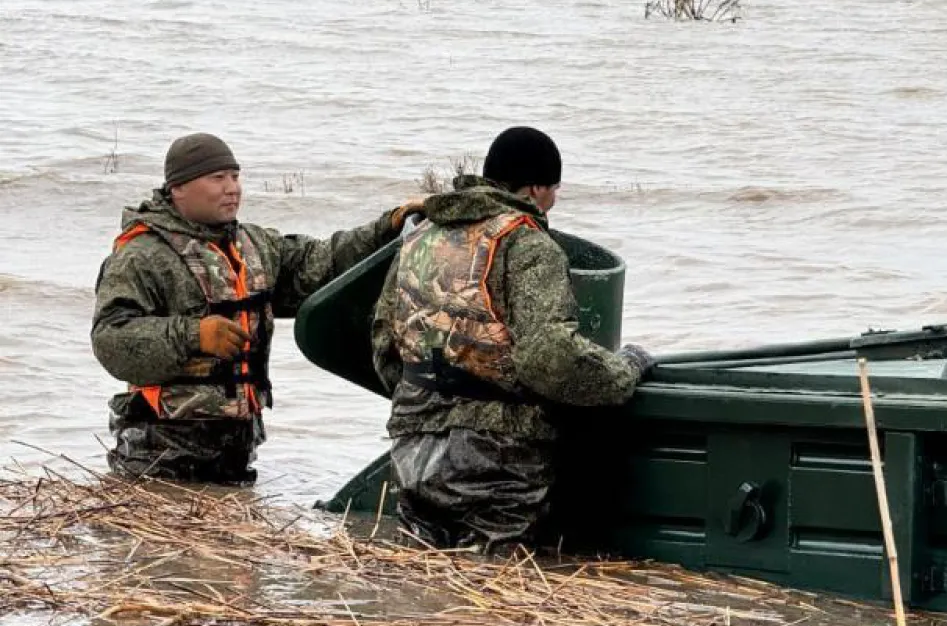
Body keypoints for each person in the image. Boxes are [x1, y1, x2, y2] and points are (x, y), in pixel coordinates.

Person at [371, 126, 654, 554]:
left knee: (423, 576)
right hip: (495, 463)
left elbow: (383, 342)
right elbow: (550, 358)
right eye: (554, 189)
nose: (554, 201)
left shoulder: (419, 237)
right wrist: (626, 367)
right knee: (493, 595)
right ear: (537, 188)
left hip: (411, 445)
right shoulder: (527, 245)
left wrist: (425, 403)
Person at [92, 133, 419, 483]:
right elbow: (111, 339)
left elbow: (321, 263)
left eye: (235, 176)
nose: (232, 188)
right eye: (217, 178)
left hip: (238, 444)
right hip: (159, 449)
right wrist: (193, 336)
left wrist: (387, 227)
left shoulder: (254, 245)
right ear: (178, 188)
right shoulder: (140, 255)